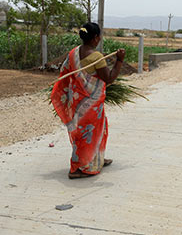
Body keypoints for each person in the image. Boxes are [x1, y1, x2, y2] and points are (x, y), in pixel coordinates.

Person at [50, 22, 126, 179]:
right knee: (88, 134)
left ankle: (96, 158)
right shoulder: (96, 57)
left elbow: (68, 73)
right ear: (96, 38)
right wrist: (119, 60)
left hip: (77, 103)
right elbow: (109, 78)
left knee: (94, 131)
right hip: (90, 106)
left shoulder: (73, 53)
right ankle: (77, 169)